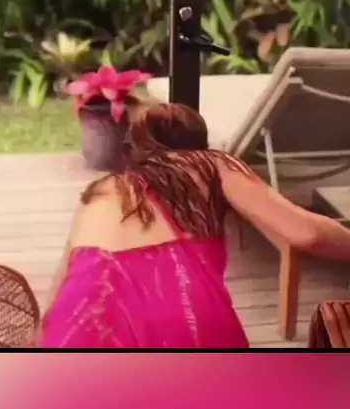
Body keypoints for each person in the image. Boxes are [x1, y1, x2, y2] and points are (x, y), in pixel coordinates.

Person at [38, 102, 350, 349]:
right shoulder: (210, 162)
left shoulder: (99, 191)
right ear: (199, 142)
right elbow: (305, 233)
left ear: (135, 147)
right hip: (175, 313)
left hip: (77, 320)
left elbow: (58, 287)